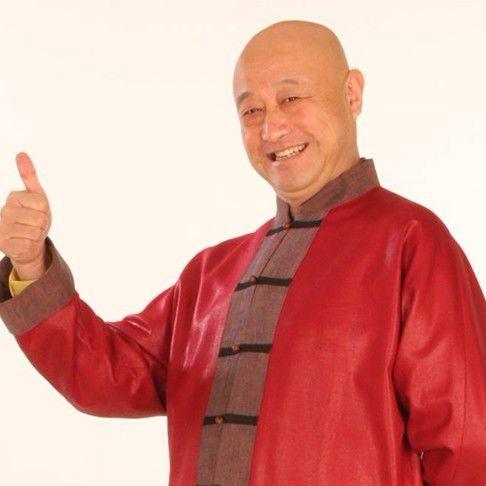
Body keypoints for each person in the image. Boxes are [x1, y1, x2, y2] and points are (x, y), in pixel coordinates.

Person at [0, 19, 485, 486]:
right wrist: (31, 264)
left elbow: (468, 446)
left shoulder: (411, 242)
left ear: (352, 93)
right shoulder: (211, 275)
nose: (271, 128)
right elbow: (108, 374)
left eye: (291, 98)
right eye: (251, 111)